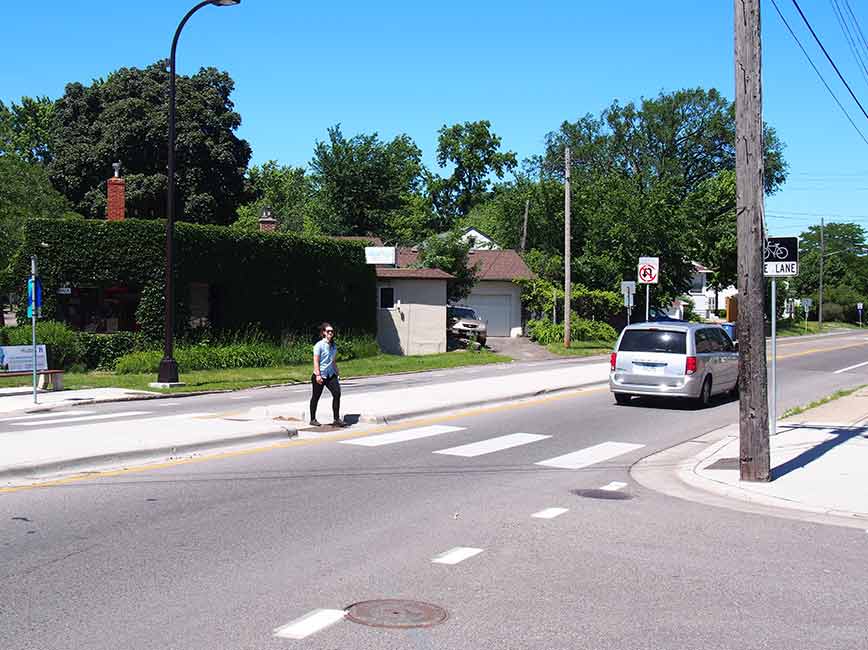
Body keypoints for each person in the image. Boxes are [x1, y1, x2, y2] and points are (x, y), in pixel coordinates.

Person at [310, 322, 345, 427]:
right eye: (328, 331)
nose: (330, 333)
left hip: (330, 375)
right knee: (316, 396)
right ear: (323, 332)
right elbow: (316, 361)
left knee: (337, 393)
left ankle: (336, 419)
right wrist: (318, 375)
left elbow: (333, 361)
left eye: (332, 331)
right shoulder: (319, 345)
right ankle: (312, 419)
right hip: (320, 375)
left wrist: (337, 372)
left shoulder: (333, 346)